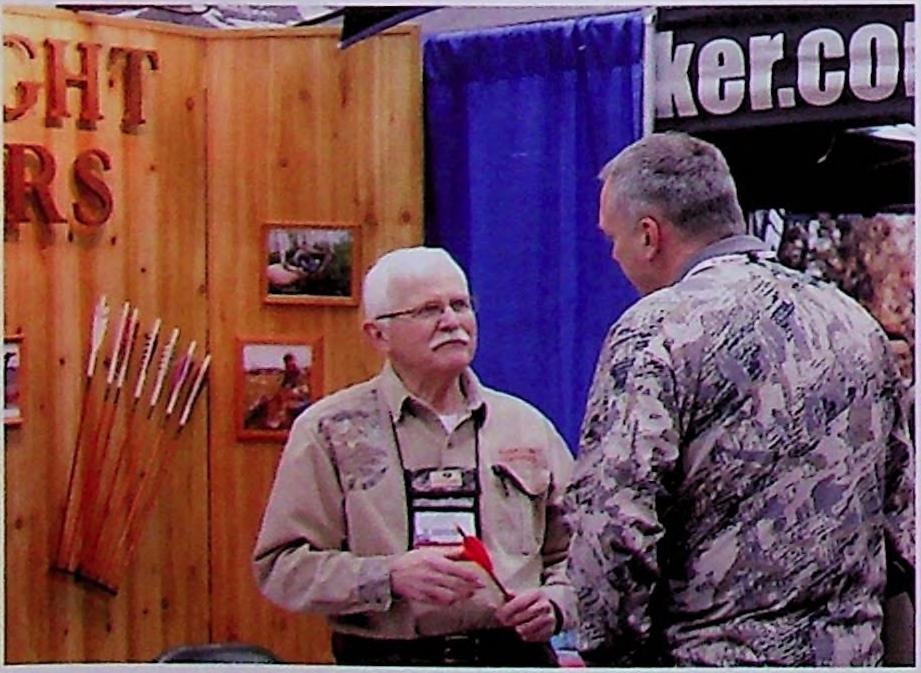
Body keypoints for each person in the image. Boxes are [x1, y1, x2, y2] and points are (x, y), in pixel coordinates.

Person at [563, 132, 914, 666]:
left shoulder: (657, 331)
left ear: (650, 234)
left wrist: (610, 653)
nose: (613, 254)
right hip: (847, 657)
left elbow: (614, 527)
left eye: (613, 238)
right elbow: (899, 519)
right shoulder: (853, 325)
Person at [253, 246, 575, 666]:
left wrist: (556, 602)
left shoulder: (526, 426)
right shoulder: (329, 430)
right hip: (388, 660)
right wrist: (387, 576)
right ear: (378, 335)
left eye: (460, 305)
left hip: (514, 657)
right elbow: (282, 567)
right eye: (428, 310)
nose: (452, 321)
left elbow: (583, 551)